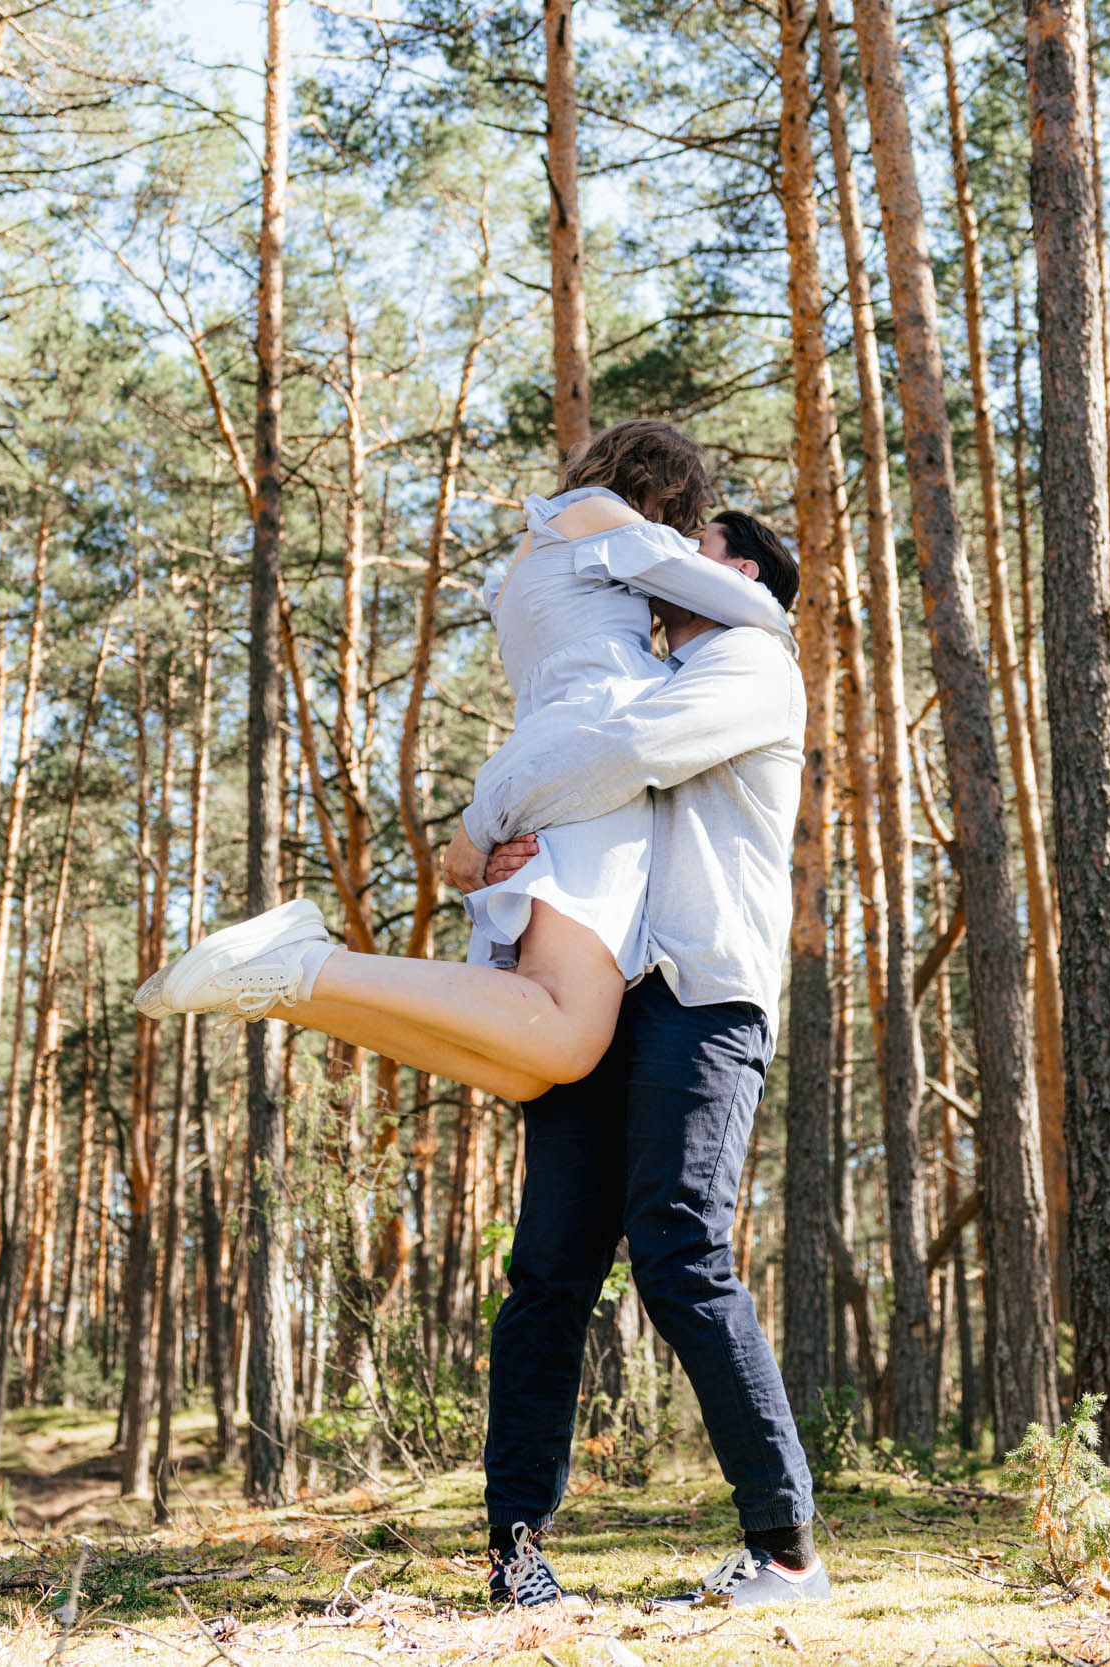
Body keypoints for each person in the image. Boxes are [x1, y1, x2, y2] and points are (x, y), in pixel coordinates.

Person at [132, 419, 790, 1102]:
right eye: (683, 521)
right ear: (663, 489)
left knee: (525, 1070)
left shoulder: (534, 556)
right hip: (588, 768)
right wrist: (762, 603)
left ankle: (279, 988)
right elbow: (754, 608)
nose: (683, 537)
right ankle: (308, 965)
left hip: (542, 762)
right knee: (565, 1033)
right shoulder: (605, 519)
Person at [447, 506, 826, 1613]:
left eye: (681, 548)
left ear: (739, 572)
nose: (643, 565)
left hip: (702, 995)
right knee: (548, 1267)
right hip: (600, 992)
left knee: (678, 1248)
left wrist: (481, 821)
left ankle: (785, 1549)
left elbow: (618, 755)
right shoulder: (637, 668)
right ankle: (517, 1555)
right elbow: (568, 794)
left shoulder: (751, 662)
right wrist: (485, 861)